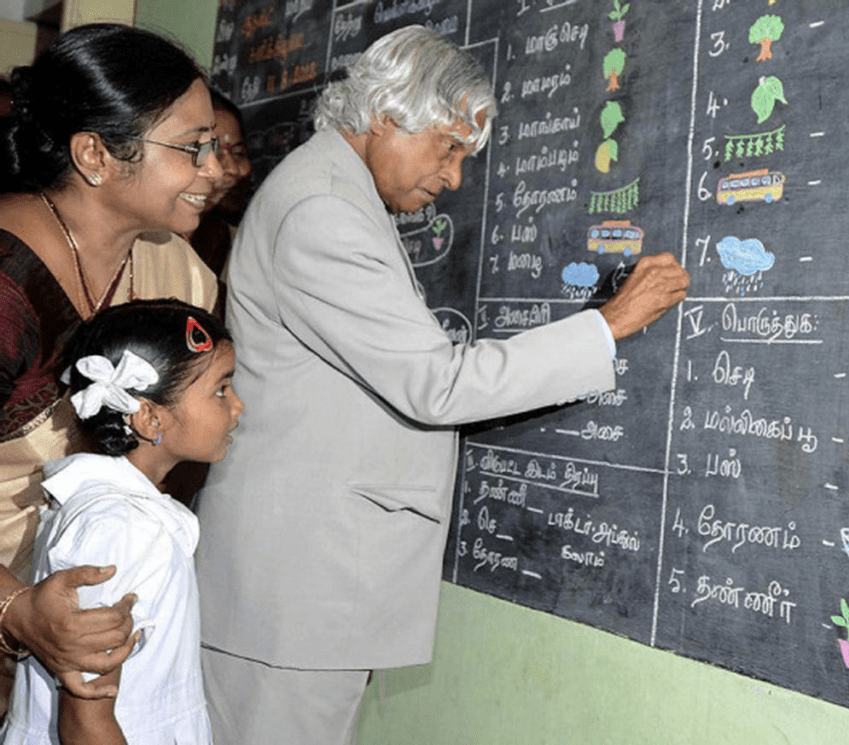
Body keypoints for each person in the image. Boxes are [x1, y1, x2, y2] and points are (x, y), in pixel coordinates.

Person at [195, 25, 690, 745]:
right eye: (449, 147)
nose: (454, 178)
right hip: (299, 584)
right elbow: (436, 383)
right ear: (389, 115)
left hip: (307, 579)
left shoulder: (332, 191)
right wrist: (606, 325)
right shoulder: (323, 210)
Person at [0, 23, 221, 709]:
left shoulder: (181, 276)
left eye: (213, 146)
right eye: (192, 148)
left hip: (87, 624)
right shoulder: (7, 285)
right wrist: (16, 611)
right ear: (95, 153)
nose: (217, 168)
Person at [2, 300, 243, 744]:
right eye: (221, 390)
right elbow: (87, 720)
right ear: (150, 416)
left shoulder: (126, 511)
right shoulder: (123, 528)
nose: (238, 406)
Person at [188, 89, 252, 280]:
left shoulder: (246, 249)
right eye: (213, 152)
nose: (232, 169)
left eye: (239, 154)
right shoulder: (143, 245)